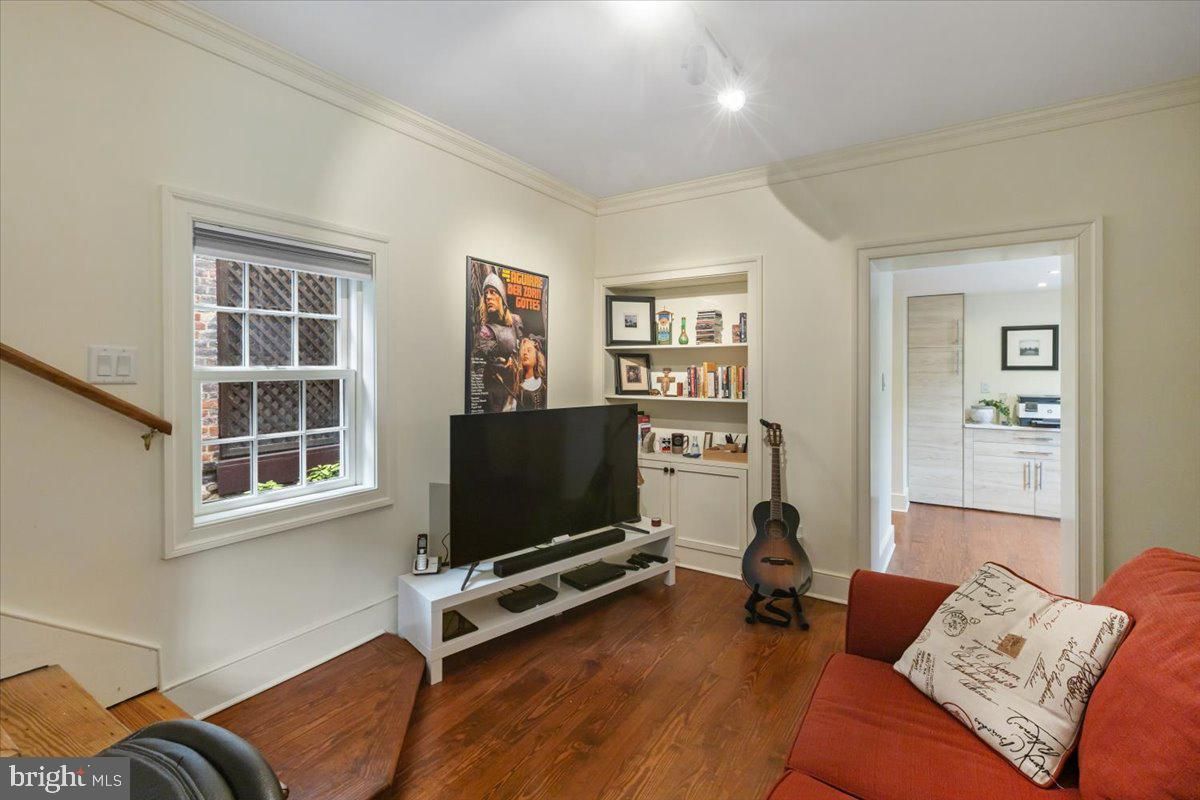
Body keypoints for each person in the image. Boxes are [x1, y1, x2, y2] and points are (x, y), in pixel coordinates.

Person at [472, 271, 523, 412]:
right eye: (486, 293)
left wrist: (515, 362)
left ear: (501, 297)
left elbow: (522, 351)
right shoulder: (485, 332)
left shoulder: (516, 322)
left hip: (515, 393)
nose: (488, 296)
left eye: (493, 292)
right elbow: (478, 369)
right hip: (495, 399)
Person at [516, 335, 547, 410]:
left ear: (537, 357)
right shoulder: (518, 388)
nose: (525, 353)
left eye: (529, 350)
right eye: (523, 350)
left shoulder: (544, 384)